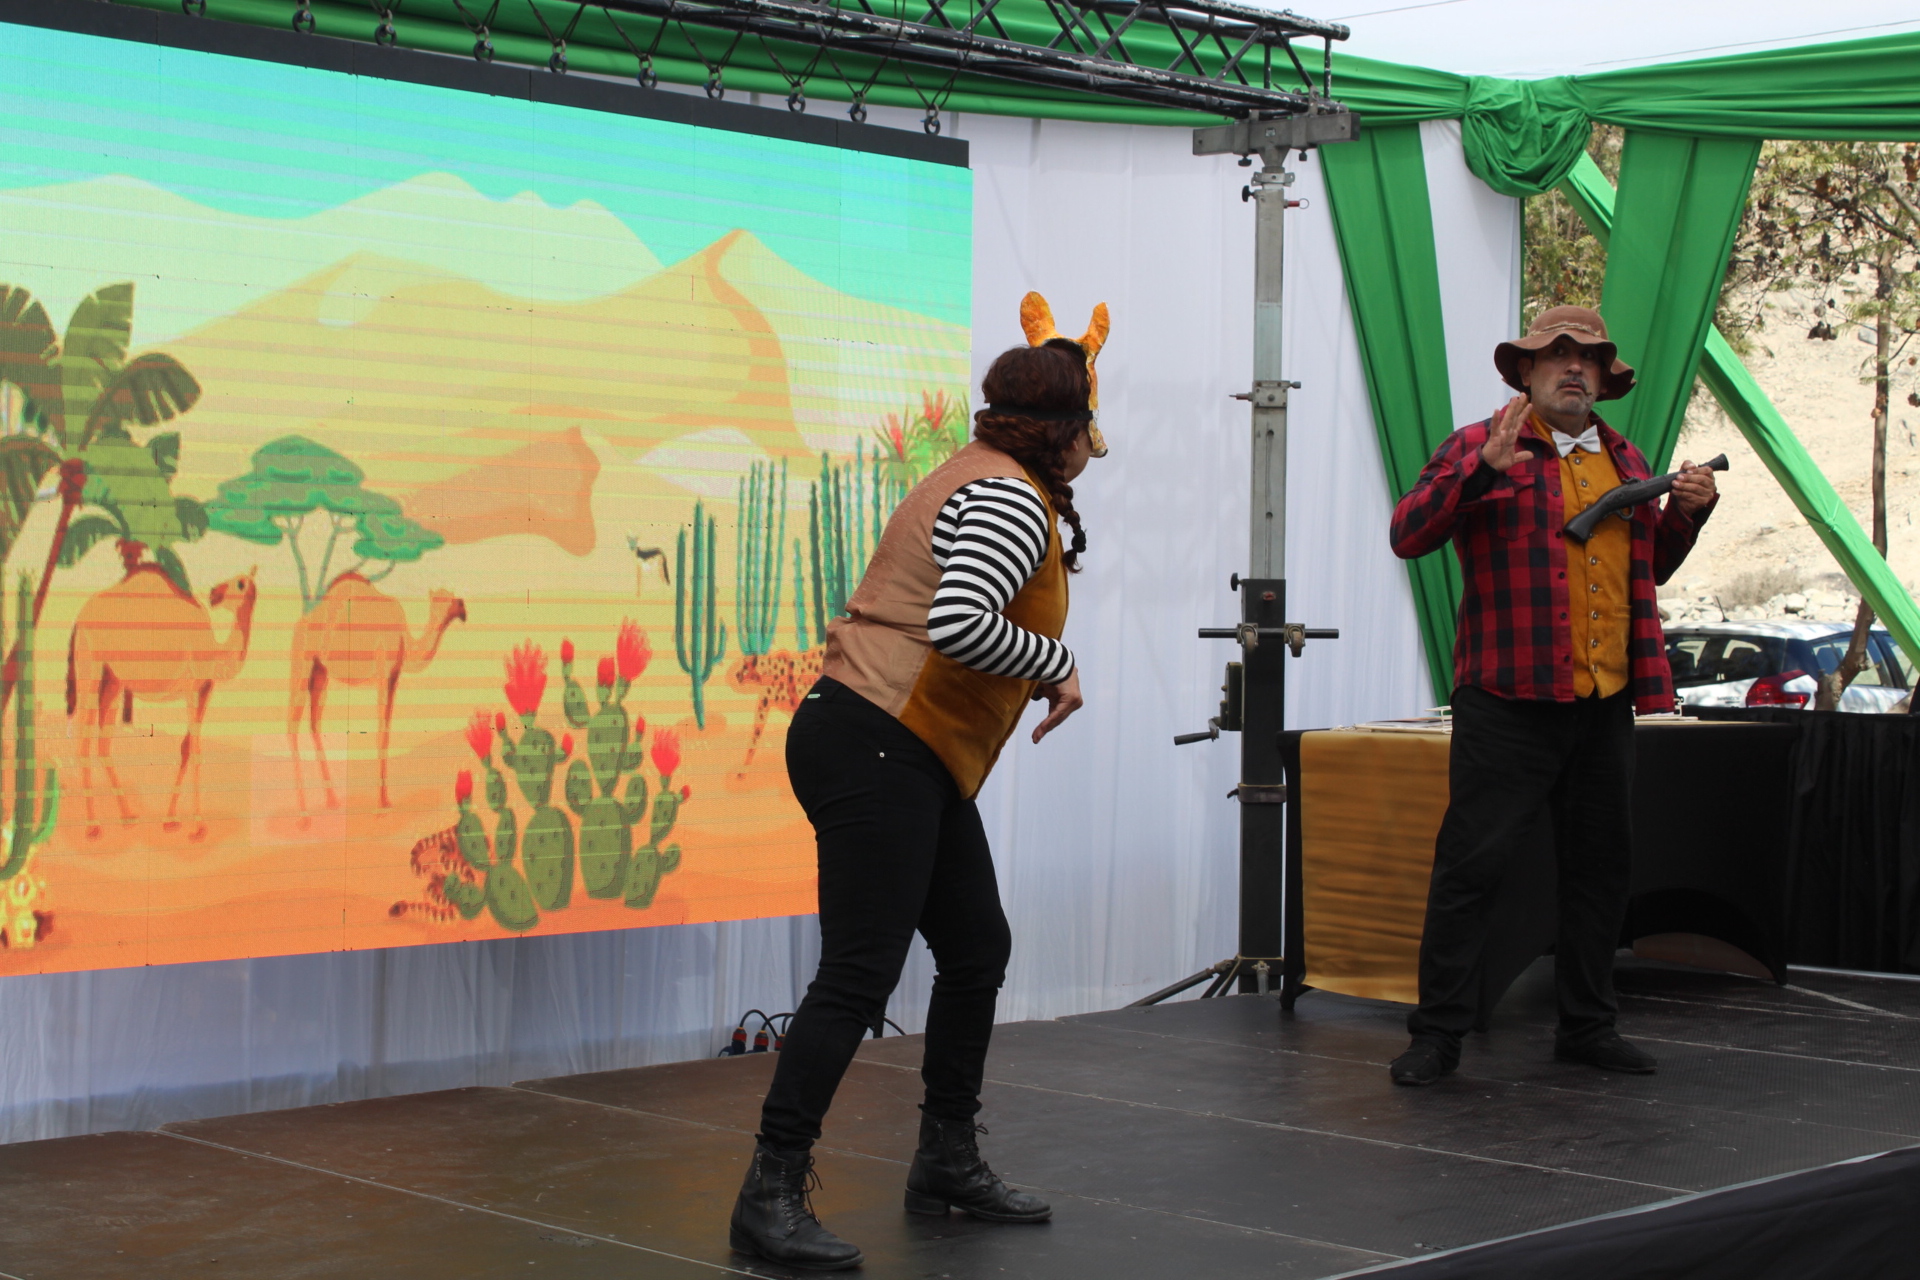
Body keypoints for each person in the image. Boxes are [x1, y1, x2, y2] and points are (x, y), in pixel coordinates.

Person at [729, 337, 1104, 1270]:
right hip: (878, 738)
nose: (1095, 447)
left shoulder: (980, 472)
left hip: (897, 744)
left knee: (976, 947)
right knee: (859, 972)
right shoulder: (1008, 496)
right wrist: (1057, 664)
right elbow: (961, 622)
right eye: (1089, 428)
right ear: (1061, 432)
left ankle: (945, 1159)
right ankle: (770, 1190)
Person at [1386, 306, 1719, 1088]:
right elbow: (1408, 534)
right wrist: (1480, 472)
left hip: (1602, 702)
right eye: (1558, 355)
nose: (1575, 368)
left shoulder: (1626, 458)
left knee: (1600, 873)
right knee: (1471, 870)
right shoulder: (1479, 443)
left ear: (1602, 377)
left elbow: (1647, 570)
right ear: (1527, 372)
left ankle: (1588, 1026)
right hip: (1506, 699)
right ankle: (1438, 1035)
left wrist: (1685, 516)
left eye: (1589, 358)